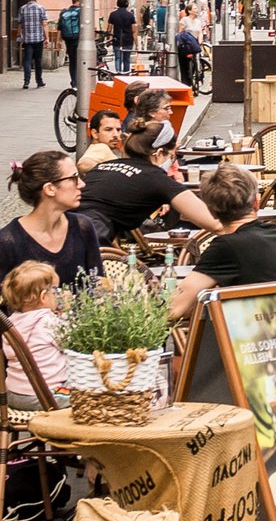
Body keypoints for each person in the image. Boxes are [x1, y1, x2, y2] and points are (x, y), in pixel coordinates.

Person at [170, 164, 276, 322]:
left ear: (211, 212)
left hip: (265, 338)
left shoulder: (226, 246)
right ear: (256, 203)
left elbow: (174, 309)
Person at [78, 121, 221, 244]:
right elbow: (213, 223)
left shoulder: (103, 166)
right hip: (91, 236)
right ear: (159, 154)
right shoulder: (155, 177)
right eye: (172, 156)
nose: (172, 161)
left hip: (65, 223)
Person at [0, 149, 103, 288]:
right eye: (74, 178)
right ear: (50, 189)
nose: (82, 184)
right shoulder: (8, 241)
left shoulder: (82, 226)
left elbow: (98, 283)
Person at [3, 262, 67, 411]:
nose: (61, 293)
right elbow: (73, 343)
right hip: (46, 396)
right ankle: (65, 432)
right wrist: (66, 312)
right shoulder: (48, 322)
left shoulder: (10, 323)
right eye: (56, 290)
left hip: (13, 395)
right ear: (44, 297)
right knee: (88, 394)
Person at [17, 0, 47, 89]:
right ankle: (39, 81)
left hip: (27, 39)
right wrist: (46, 38)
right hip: (38, 39)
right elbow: (44, 24)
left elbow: (20, 25)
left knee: (27, 60)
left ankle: (26, 81)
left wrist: (19, 36)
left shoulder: (22, 9)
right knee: (38, 60)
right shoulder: (41, 8)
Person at [106, 0, 137, 76]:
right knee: (127, 59)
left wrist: (108, 39)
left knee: (118, 58)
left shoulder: (113, 14)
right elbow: (134, 30)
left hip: (117, 39)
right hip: (128, 40)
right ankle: (126, 75)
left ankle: (118, 74)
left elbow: (109, 29)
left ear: (117, 4)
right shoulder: (130, 15)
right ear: (127, 4)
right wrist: (137, 43)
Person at [56, 0, 82, 88]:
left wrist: (58, 41)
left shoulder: (64, 12)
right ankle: (80, 81)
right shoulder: (81, 12)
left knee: (72, 61)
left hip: (68, 39)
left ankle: (74, 81)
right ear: (78, 1)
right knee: (80, 60)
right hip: (78, 38)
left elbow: (59, 27)